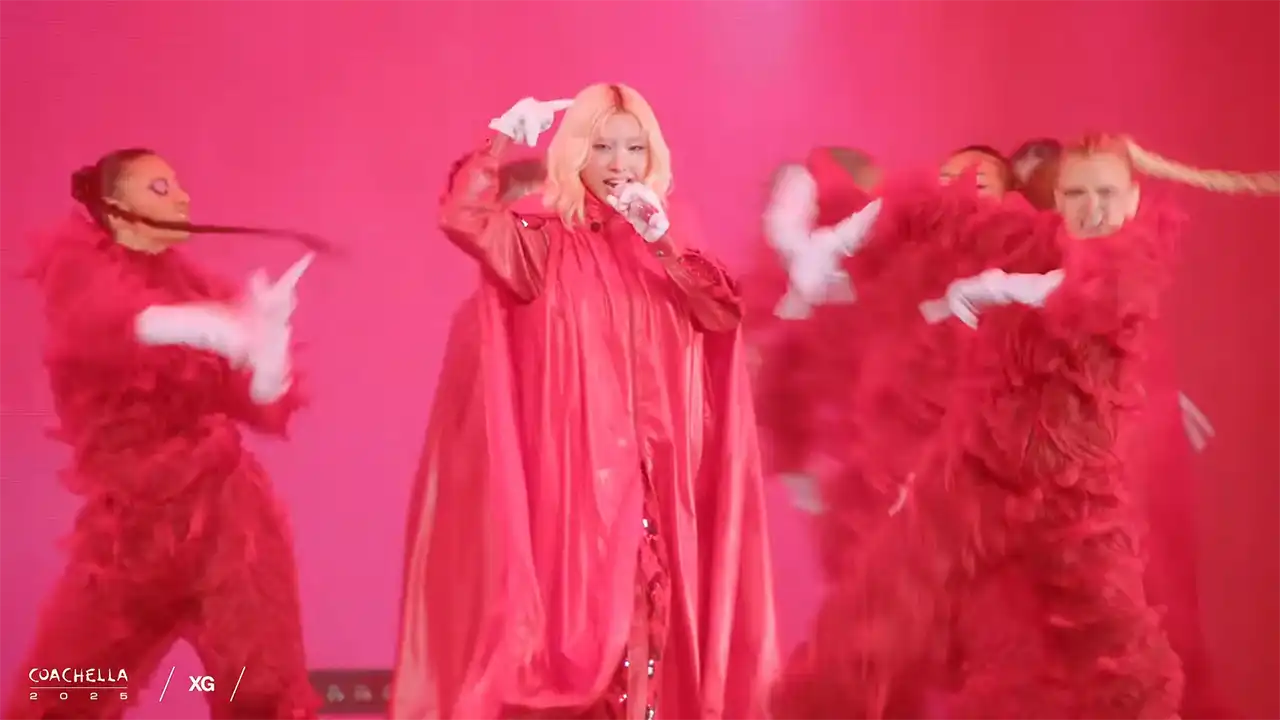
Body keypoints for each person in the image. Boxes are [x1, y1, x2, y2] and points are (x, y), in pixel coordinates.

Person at [794, 133, 1278, 719]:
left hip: (1077, 501)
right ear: (1057, 196)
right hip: (983, 465)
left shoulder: (1133, 260)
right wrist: (836, 242)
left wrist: (996, 288)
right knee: (884, 598)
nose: (1092, 209)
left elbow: (1087, 294)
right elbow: (928, 209)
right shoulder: (1032, 238)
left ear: (1132, 199)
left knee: (1117, 651)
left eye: (1106, 194)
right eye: (1077, 194)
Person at [392, 84, 777, 720]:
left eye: (633, 147)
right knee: (584, 653)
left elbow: (721, 313)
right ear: (575, 153)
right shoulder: (541, 243)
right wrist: (499, 140)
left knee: (651, 640)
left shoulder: (672, 243)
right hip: (577, 499)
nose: (619, 163)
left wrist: (663, 243)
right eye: (602, 147)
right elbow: (464, 218)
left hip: (658, 487)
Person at [9, 148, 323, 719]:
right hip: (129, 534)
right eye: (159, 188)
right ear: (115, 208)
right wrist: (215, 329)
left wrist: (268, 340)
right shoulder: (80, 270)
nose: (182, 198)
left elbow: (260, 404)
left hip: (226, 521)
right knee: (61, 695)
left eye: (178, 186)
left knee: (259, 692)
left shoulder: (195, 286)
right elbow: (107, 323)